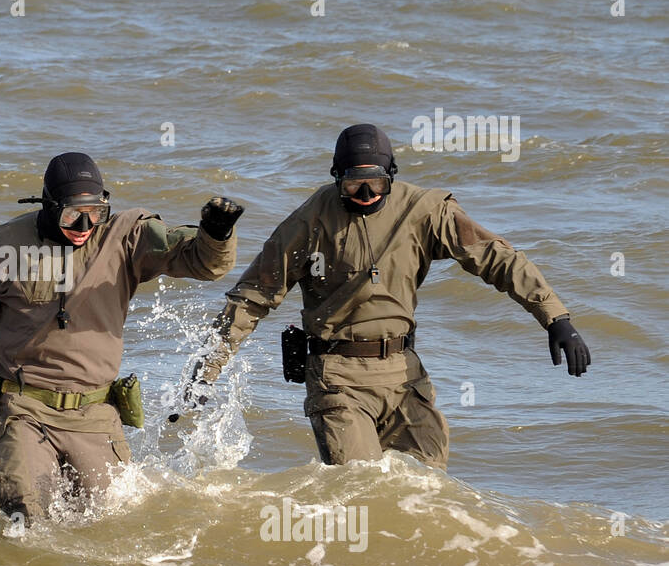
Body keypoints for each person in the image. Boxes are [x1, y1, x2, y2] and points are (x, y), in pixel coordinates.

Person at [0, 152, 243, 521]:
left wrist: (216, 234)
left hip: (96, 414)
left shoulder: (126, 237)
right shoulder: (2, 247)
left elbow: (202, 264)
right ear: (48, 206)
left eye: (96, 212)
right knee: (24, 516)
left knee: (109, 522)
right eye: (73, 215)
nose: (85, 226)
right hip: (24, 410)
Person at [178, 124, 590, 470]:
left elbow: (495, 258)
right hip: (338, 379)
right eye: (353, 184)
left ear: (391, 175)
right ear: (336, 177)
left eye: (375, 182)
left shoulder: (424, 210)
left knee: (428, 498)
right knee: (362, 491)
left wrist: (555, 318)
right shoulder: (309, 222)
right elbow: (251, 299)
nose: (365, 194)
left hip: (405, 376)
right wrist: (205, 369)